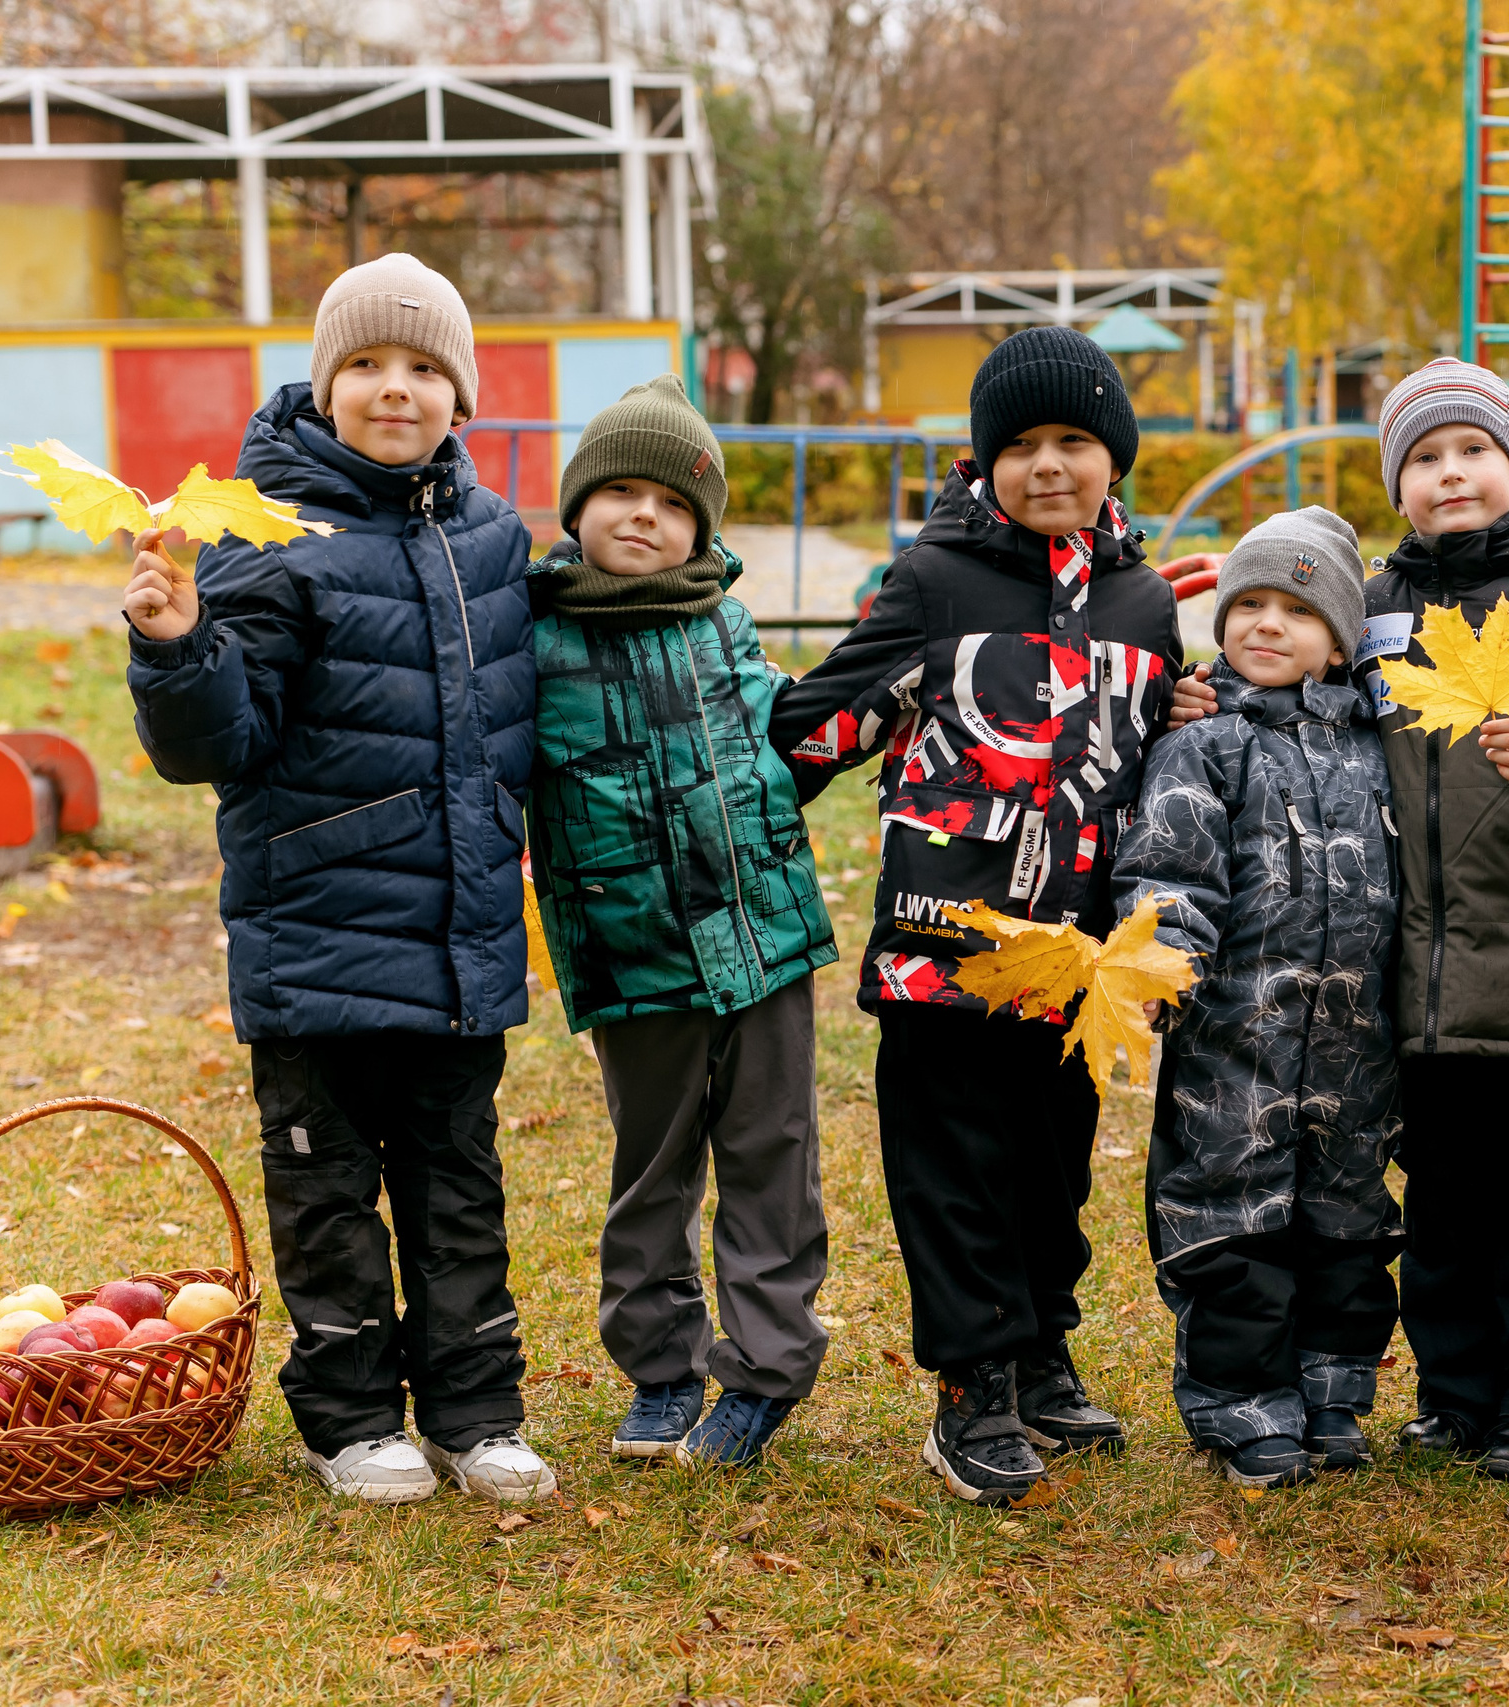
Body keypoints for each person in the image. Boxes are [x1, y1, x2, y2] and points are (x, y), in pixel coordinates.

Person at [1173, 357, 1509, 1478]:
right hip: (1412, 968)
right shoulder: (1383, 606)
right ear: (1398, 486)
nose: (1451, 476)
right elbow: (1310, 699)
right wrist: (1208, 694)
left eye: (1472, 452)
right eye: (1425, 459)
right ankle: (1453, 1394)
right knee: (1441, 1199)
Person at [121, 253, 552, 1505]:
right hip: (312, 935)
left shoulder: (491, 536)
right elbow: (218, 745)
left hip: (457, 938)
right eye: (365, 364)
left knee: (458, 1186)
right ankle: (352, 1416)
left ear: (460, 397)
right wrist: (175, 645)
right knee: (327, 1191)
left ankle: (477, 1413)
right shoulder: (265, 529)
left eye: (424, 368)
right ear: (324, 384)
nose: (395, 388)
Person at [767, 326, 1180, 1507]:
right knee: (955, 1168)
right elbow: (821, 724)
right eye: (1021, 446)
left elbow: (1148, 758)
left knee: (1053, 1166)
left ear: (1114, 459)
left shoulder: (1144, 602)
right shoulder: (935, 581)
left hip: (1081, 957)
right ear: (982, 459)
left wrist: (1190, 709)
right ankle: (972, 1388)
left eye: (1074, 443)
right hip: (944, 954)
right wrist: (786, 751)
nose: (1048, 466)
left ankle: (1041, 1348)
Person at [520, 376, 837, 1469]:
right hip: (631, 952)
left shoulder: (730, 625)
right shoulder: (535, 639)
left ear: (700, 523)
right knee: (652, 1166)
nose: (640, 514)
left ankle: (760, 1377)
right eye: (616, 491)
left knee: (771, 1159)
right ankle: (661, 1368)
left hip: (764, 942)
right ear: (576, 511)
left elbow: (787, 744)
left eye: (668, 498)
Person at [1114, 506, 1401, 1490]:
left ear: (1338, 640)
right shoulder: (1206, 744)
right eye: (1249, 606)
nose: (1266, 626)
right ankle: (1241, 1399)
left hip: (1359, 1044)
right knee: (1231, 1216)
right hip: (1234, 1036)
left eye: (1295, 609)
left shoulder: (1378, 748)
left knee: (1348, 1223)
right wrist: (1163, 961)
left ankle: (1332, 1390)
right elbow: (1171, 869)